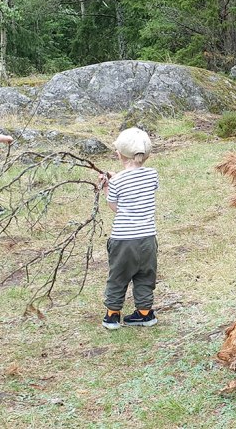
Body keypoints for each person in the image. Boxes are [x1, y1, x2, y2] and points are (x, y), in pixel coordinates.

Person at [98, 127, 160, 329]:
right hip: (148, 239)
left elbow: (116, 207)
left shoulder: (117, 181)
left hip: (123, 240)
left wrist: (107, 185)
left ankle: (112, 315)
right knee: (144, 275)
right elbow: (136, 185)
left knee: (118, 276)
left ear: (119, 154)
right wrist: (116, 179)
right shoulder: (152, 175)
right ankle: (145, 313)